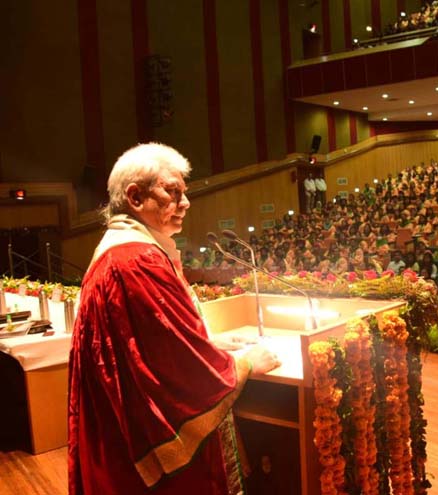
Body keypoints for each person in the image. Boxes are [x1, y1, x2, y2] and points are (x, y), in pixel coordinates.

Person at [68, 143, 281, 494]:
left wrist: (206, 343)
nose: (185, 203)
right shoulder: (136, 262)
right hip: (145, 454)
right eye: (172, 192)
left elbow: (150, 346)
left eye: (184, 192)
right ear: (135, 197)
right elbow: (175, 373)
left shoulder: (124, 253)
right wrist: (243, 364)